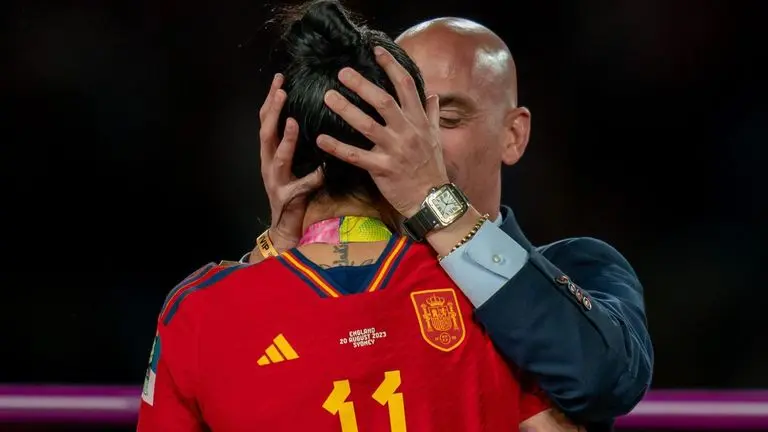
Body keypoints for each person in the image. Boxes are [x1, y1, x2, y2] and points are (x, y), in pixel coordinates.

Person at [138, 1, 580, 430]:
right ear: (414, 142)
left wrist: (271, 248)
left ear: (281, 148)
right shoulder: (491, 298)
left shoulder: (196, 313)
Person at [250, 13, 653, 430]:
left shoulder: (582, 265)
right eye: (402, 116)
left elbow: (607, 380)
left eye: (447, 120)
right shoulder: (334, 276)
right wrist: (281, 242)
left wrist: (434, 202)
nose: (421, 140)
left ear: (513, 135)